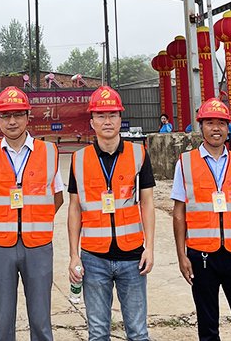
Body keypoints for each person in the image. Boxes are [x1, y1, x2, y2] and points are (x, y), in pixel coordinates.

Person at [0, 87, 64, 341]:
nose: (12, 121)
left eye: (18, 115)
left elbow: (57, 197)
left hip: (38, 246)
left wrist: (36, 219)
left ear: (28, 117)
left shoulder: (49, 152)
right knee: (2, 322)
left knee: (41, 320)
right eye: (5, 115)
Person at [172, 98, 231, 341]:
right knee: (208, 324)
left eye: (221, 123)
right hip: (201, 255)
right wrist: (181, 255)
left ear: (228, 127)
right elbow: (179, 212)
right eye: (209, 122)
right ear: (201, 126)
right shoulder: (185, 163)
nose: (216, 128)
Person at [68, 86, 156, 341]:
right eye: (101, 116)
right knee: (97, 333)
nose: (107, 121)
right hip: (94, 258)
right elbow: (74, 209)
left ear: (120, 119)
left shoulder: (139, 154)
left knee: (138, 332)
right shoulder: (79, 159)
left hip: (133, 257)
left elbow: (147, 203)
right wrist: (74, 255)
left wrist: (149, 248)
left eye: (113, 115)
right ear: (91, 121)